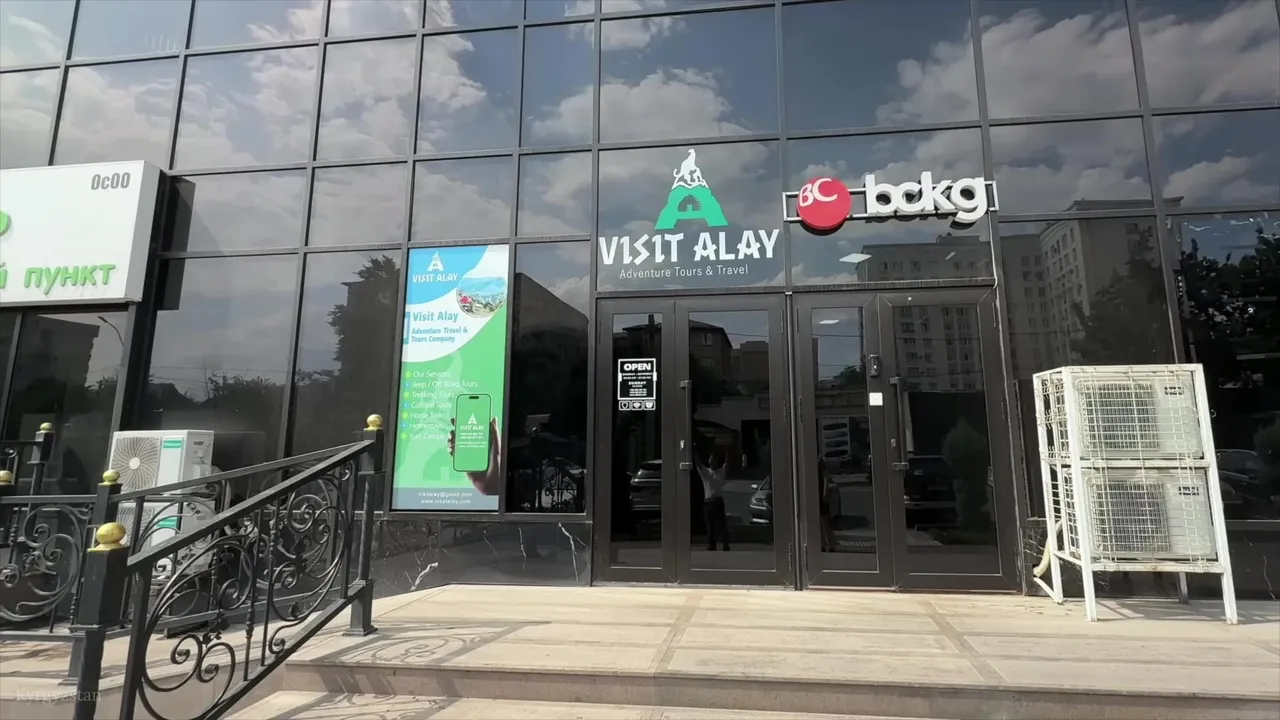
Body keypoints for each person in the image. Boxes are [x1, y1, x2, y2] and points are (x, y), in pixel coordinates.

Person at [696, 446, 730, 551]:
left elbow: (728, 463)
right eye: (710, 460)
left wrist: (727, 450)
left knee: (721, 524)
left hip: (717, 501)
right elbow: (698, 464)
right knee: (710, 525)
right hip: (708, 502)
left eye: (713, 460)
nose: (711, 462)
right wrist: (694, 451)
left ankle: (725, 544)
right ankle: (712, 544)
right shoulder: (706, 472)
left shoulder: (721, 472)